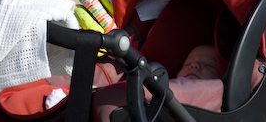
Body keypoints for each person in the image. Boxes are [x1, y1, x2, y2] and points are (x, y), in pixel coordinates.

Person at [92, 44, 224, 120]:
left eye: (209, 65)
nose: (193, 65)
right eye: (187, 63)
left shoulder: (213, 93)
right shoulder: (169, 81)